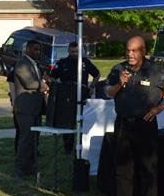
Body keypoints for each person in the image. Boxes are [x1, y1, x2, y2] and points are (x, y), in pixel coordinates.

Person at [105, 35, 164, 196]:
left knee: (148, 168)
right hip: (124, 123)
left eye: (134, 51)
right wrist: (119, 84)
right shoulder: (118, 69)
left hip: (145, 123)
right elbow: (107, 92)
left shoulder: (155, 71)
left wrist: (161, 107)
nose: (130, 54)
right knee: (123, 167)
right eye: (127, 50)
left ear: (143, 52)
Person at [52, 41, 100, 153]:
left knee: (82, 122)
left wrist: (92, 86)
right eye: (72, 51)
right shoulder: (62, 63)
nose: (74, 54)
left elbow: (97, 74)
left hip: (82, 96)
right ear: (68, 51)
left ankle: (82, 147)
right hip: (66, 98)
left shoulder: (85, 62)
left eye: (77, 51)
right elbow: (52, 77)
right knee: (67, 123)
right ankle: (68, 148)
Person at [13, 40, 48, 178]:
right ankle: (20, 170)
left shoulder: (34, 64)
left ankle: (31, 167)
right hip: (25, 108)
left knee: (35, 140)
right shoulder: (22, 64)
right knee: (26, 139)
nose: (37, 52)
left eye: (39, 50)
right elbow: (29, 83)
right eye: (35, 49)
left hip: (36, 108)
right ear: (27, 49)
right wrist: (43, 85)